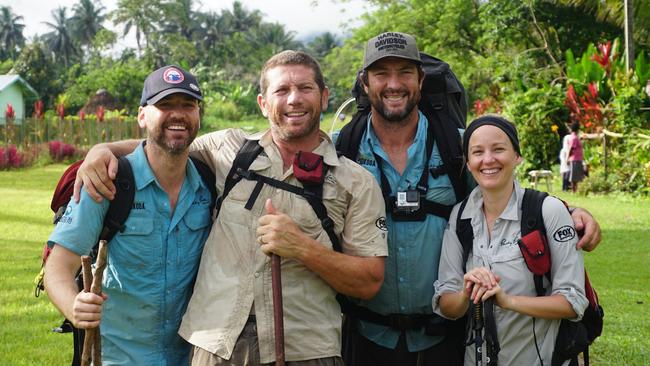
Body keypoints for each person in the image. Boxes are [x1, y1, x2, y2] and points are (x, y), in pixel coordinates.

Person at [74, 50, 388, 365]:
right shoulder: (231, 150)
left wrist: (304, 249)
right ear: (263, 104)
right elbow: (166, 144)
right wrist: (102, 150)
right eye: (281, 90)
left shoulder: (356, 182)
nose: (294, 99)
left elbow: (369, 282)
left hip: (308, 350)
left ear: (323, 97)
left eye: (305, 89)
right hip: (216, 346)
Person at [336, 31, 602, 366]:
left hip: (447, 335)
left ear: (420, 80)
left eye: (404, 72)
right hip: (365, 334)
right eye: (381, 73)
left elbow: (503, 185)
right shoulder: (341, 150)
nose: (393, 83)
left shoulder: (458, 147)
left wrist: (571, 211)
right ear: (364, 82)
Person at [44, 65, 212, 365]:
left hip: (191, 356)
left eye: (188, 105)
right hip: (117, 357)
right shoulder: (107, 182)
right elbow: (58, 267)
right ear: (142, 116)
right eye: (164, 105)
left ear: (198, 115)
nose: (178, 114)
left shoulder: (209, 182)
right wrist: (74, 307)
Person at [433, 115, 588, 364]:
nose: (488, 160)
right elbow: (447, 304)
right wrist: (467, 292)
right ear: (468, 162)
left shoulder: (548, 211)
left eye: (498, 149)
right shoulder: (460, 216)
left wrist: (508, 301)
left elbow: (573, 302)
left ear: (517, 156)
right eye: (477, 152)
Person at [567, 122, 585, 192]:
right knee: (574, 176)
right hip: (575, 159)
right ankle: (573, 190)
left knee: (576, 175)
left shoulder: (575, 137)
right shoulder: (574, 138)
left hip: (577, 158)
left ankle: (575, 189)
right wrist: (567, 158)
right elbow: (571, 148)